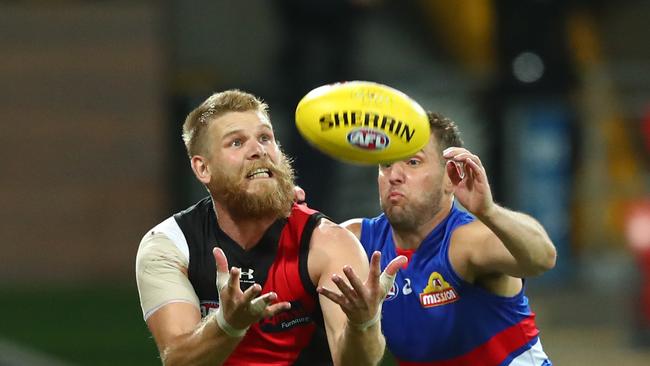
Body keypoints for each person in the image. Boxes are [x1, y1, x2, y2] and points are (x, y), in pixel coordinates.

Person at [135, 89, 406, 366]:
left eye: (265, 137)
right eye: (236, 143)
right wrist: (227, 325)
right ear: (203, 168)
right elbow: (178, 360)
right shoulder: (169, 245)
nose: (258, 150)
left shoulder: (327, 242)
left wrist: (364, 324)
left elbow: (355, 363)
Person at [339, 112, 557, 365]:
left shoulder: (466, 242)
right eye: (386, 163)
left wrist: (490, 212)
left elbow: (543, 258)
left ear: (450, 178)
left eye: (413, 162)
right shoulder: (355, 242)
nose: (394, 175)